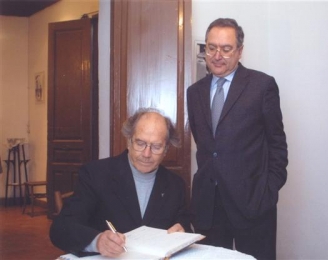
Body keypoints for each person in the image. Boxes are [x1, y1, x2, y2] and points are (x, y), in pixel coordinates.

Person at [187, 18, 288, 259]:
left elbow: (277, 143)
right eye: (211, 47)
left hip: (253, 204)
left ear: (239, 51)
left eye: (226, 48)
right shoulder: (195, 92)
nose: (217, 55)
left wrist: (268, 191)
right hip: (208, 207)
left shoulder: (262, 86)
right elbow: (206, 147)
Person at [50, 108, 190, 258]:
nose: (146, 154)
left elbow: (184, 224)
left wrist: (182, 231)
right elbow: (61, 228)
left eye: (156, 147)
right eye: (140, 143)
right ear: (129, 141)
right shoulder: (96, 174)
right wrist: (97, 241)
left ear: (166, 149)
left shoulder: (176, 185)